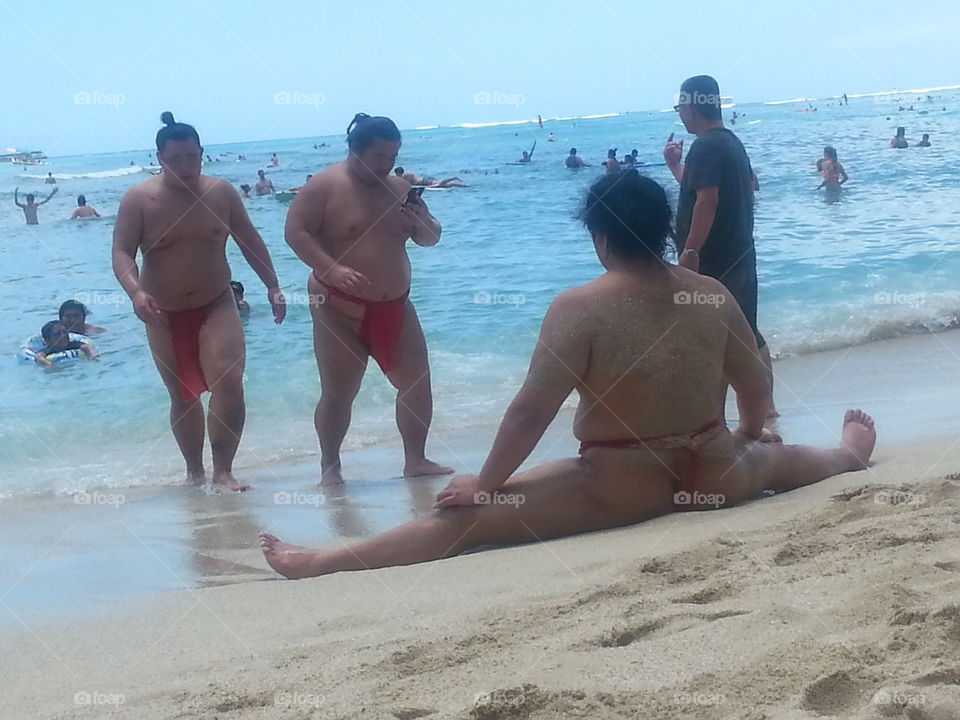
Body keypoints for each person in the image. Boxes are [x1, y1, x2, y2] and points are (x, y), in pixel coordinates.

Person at [259, 170, 877, 579]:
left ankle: (323, 562)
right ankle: (849, 455)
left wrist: (486, 483)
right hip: (716, 472)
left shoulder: (579, 307)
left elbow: (532, 411)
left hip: (621, 485)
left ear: (600, 237)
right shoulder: (709, 293)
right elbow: (754, 379)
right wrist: (749, 432)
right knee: (785, 459)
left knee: (463, 520)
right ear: (664, 231)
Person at [112, 111, 286, 491]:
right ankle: (194, 472)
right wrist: (136, 291)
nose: (185, 166)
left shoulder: (221, 193)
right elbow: (122, 252)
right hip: (162, 310)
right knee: (182, 394)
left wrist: (272, 285)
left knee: (230, 382)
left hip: (216, 302)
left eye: (191, 157)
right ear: (160, 158)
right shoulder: (140, 199)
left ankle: (223, 470)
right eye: (175, 159)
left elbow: (249, 239)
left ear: (202, 153)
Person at [284, 112, 453, 485]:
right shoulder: (324, 187)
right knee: (339, 392)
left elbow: (429, 239)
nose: (386, 165)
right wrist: (331, 269)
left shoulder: (399, 189)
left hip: (395, 304)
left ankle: (416, 460)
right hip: (337, 306)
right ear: (355, 150)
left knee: (417, 382)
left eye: (392, 157)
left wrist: (424, 221)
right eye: (379, 157)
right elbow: (296, 233)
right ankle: (330, 466)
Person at [663, 74, 777, 417]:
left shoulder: (706, 146)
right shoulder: (730, 143)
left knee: (713, 335)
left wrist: (690, 252)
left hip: (714, 258)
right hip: (739, 252)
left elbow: (708, 200)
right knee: (747, 332)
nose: (680, 114)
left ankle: (714, 414)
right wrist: (675, 166)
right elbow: (703, 191)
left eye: (680, 106)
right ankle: (765, 407)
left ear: (691, 107)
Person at [33, 321, 98, 367]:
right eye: (57, 334)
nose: (63, 335)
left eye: (64, 332)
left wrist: (92, 354)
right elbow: (39, 357)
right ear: (48, 341)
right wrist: (48, 364)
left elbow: (86, 346)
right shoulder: (49, 349)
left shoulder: (72, 344)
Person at [393, 167, 468, 189]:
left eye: (396, 174)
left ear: (398, 173)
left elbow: (407, 185)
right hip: (423, 180)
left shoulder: (404, 176)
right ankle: (465, 186)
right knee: (447, 186)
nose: (396, 175)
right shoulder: (406, 175)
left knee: (439, 183)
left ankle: (454, 177)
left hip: (423, 181)